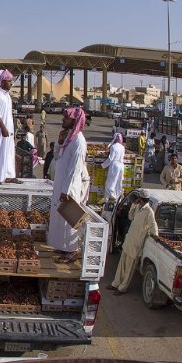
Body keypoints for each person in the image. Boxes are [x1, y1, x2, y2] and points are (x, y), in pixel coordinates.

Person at [48, 107, 91, 263]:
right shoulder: (69, 137)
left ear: (74, 120)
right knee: (60, 217)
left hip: (70, 187)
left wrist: (66, 190)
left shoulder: (79, 141)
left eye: (66, 118)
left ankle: (72, 250)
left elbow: (76, 168)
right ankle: (63, 246)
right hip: (61, 183)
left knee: (69, 220)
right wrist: (59, 143)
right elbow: (57, 156)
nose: (63, 120)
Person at [101, 132, 126, 208]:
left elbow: (110, 158)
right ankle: (118, 198)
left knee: (110, 183)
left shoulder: (113, 146)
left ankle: (108, 200)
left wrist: (102, 165)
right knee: (118, 183)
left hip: (114, 165)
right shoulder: (122, 147)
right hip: (121, 165)